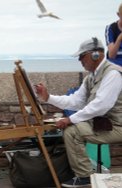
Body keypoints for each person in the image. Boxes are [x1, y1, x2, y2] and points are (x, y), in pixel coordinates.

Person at [35, 37, 122, 188]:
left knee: (73, 131)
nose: (80, 60)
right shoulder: (91, 78)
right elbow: (75, 101)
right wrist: (48, 97)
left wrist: (70, 120)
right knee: (72, 128)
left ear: (96, 55)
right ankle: (85, 175)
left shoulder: (112, 74)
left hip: (117, 126)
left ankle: (85, 178)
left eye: (82, 56)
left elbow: (101, 105)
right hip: (104, 125)